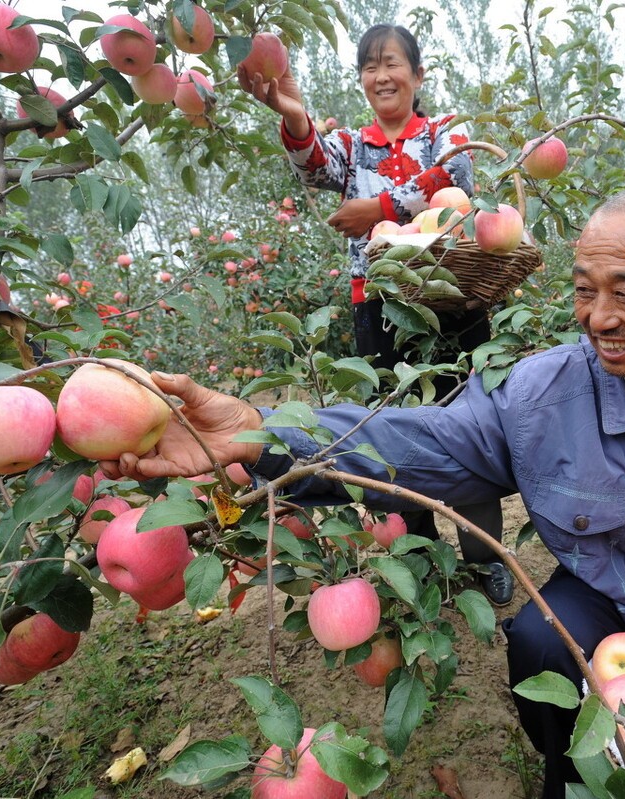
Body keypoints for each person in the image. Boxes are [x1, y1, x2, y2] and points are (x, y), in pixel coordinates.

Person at [101, 186, 625, 799]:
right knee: (541, 643)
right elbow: (427, 445)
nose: (599, 318)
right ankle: (570, 772)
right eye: (585, 289)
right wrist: (263, 435)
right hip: (608, 588)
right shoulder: (546, 389)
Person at [237, 23, 512, 604]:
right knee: (396, 433)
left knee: (469, 428)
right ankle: (423, 554)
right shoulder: (352, 144)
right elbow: (314, 167)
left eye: (391, 63)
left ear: (417, 74)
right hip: (380, 305)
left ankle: (484, 554)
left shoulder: (443, 131)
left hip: (453, 299)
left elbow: (457, 174)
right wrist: (292, 114)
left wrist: (377, 208)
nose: (381, 75)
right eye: (369, 66)